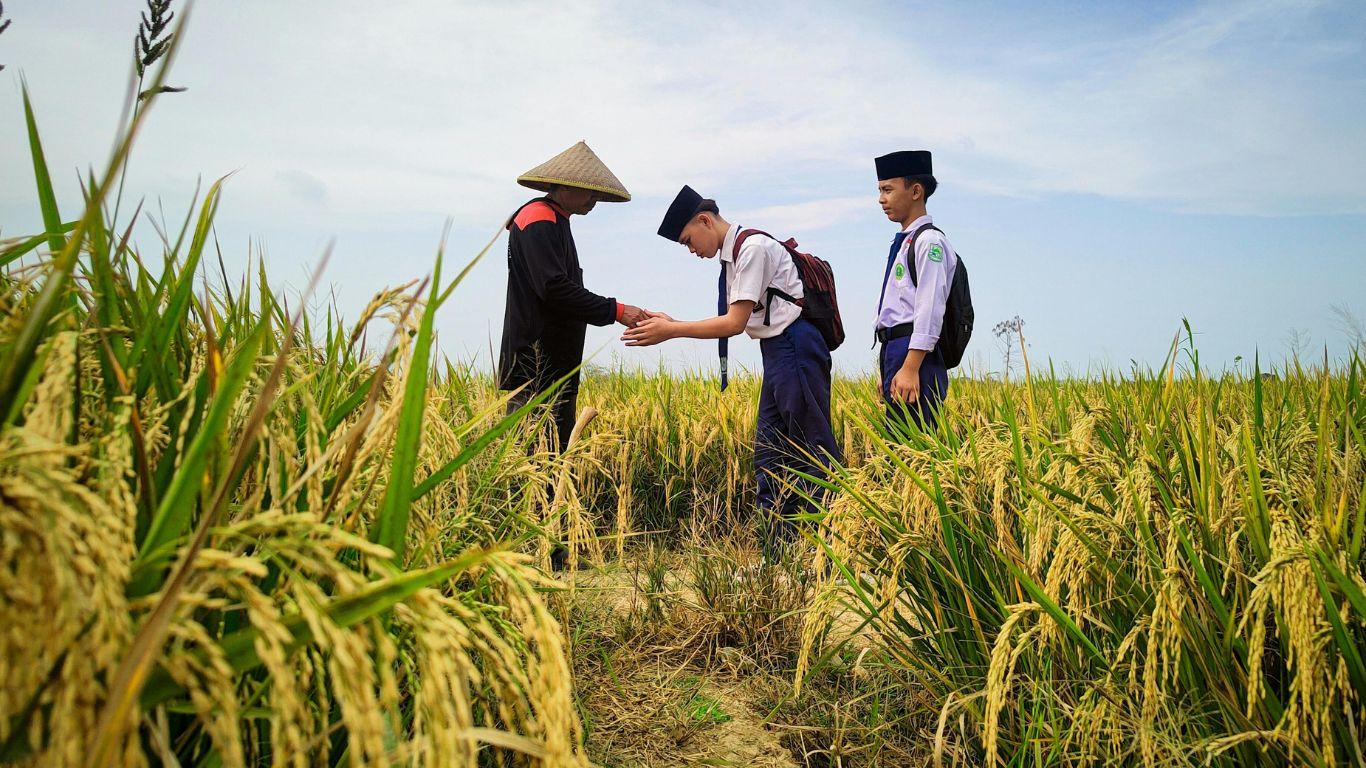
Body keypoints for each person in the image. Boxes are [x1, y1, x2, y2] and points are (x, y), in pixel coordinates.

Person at [624, 185, 840, 559]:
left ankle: (833, 553)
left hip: (796, 347)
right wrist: (672, 322)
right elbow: (733, 319)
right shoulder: (734, 256)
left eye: (689, 240)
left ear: (705, 220)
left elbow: (735, 322)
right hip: (777, 352)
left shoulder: (752, 249)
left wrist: (671, 331)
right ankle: (779, 557)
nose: (693, 251)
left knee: (813, 451)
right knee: (770, 453)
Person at [500, 140, 648, 451]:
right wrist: (617, 310)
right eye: (589, 190)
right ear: (563, 186)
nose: (595, 198)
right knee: (533, 469)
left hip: (555, 365)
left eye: (598, 192)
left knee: (552, 461)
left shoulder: (554, 220)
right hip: (535, 367)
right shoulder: (539, 218)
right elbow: (555, 290)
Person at [873, 150, 958, 432]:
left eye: (888, 189)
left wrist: (910, 367)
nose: (881, 199)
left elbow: (929, 308)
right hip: (897, 351)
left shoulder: (929, 242)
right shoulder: (904, 242)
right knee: (898, 442)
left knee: (917, 446)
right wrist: (887, 367)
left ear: (916, 191)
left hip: (915, 353)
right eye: (880, 191)